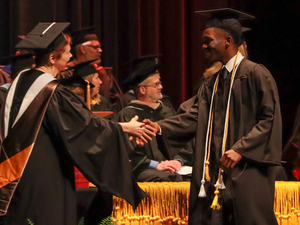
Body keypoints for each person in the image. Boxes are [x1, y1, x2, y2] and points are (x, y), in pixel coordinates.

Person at [0, 22, 154, 225]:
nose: (71, 56)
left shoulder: (21, 80)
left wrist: (121, 127)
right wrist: (124, 128)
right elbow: (84, 127)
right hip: (46, 174)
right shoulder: (51, 90)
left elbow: (80, 121)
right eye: (66, 53)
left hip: (16, 171)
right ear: (53, 58)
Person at [144, 8, 282, 225]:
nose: (203, 46)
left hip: (247, 171)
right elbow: (194, 117)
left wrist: (240, 149)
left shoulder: (255, 74)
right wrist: (158, 127)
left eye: (208, 40)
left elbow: (269, 119)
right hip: (214, 173)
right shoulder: (213, 82)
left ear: (228, 40)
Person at [116, 56, 193, 182]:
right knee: (167, 178)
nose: (161, 87)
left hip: (175, 168)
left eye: (160, 83)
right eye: (156, 84)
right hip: (144, 169)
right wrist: (156, 165)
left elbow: (185, 140)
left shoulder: (168, 111)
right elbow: (128, 152)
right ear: (142, 89)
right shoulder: (129, 115)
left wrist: (178, 161)